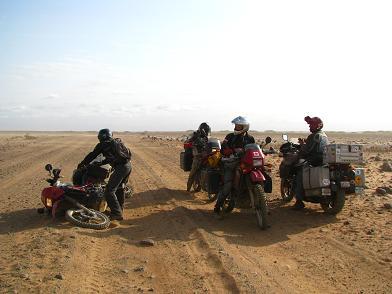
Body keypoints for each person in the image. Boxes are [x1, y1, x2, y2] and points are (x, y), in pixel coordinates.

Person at [77, 129, 132, 220]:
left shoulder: (103, 145)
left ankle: (116, 213)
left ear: (101, 137)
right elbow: (114, 157)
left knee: (109, 191)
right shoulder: (116, 143)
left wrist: (82, 164)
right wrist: (101, 163)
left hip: (120, 168)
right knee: (119, 188)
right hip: (128, 166)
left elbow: (92, 155)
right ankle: (119, 210)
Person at [214, 116, 255, 215]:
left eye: (239, 126)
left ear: (245, 127)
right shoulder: (230, 136)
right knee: (228, 185)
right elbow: (223, 148)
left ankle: (262, 204)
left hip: (246, 163)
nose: (236, 127)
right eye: (236, 125)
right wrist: (230, 151)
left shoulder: (250, 138)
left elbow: (254, 148)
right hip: (232, 163)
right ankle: (218, 206)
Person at [293, 116, 329, 210]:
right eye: (309, 125)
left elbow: (307, 150)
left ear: (317, 126)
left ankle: (299, 201)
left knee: (300, 174)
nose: (309, 127)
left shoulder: (314, 136)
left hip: (314, 159)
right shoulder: (324, 135)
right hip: (323, 159)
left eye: (311, 125)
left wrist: (301, 145)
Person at [186, 122, 211, 192]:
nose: (206, 131)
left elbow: (210, 143)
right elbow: (189, 140)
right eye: (205, 130)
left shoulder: (207, 137)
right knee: (193, 172)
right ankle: (188, 188)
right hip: (198, 156)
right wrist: (195, 137)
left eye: (207, 130)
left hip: (206, 155)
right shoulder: (196, 134)